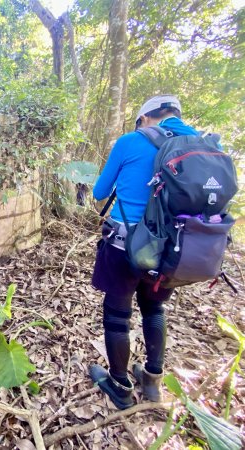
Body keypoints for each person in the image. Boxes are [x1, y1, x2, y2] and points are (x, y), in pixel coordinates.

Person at [89, 95, 199, 410]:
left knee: (117, 313)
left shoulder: (130, 142)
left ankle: (120, 384)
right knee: (154, 310)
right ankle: (152, 380)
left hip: (126, 244)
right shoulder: (196, 145)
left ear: (145, 118)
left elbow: (99, 192)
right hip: (172, 250)